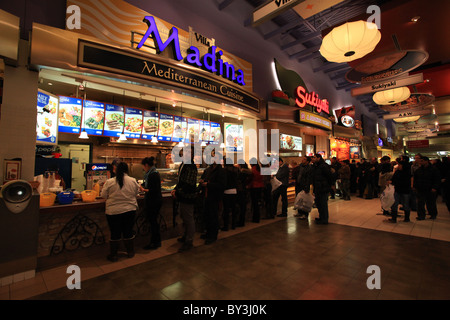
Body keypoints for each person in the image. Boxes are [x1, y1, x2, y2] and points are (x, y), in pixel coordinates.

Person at [101, 162, 140, 262]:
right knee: (128, 231)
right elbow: (136, 193)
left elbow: (103, 195)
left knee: (115, 233)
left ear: (116, 170)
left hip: (113, 212)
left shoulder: (110, 182)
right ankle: (130, 252)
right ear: (127, 170)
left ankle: (113, 255)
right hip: (130, 210)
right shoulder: (132, 181)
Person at [172, 147, 198, 252]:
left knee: (189, 219)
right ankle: (185, 236)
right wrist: (175, 189)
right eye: (185, 151)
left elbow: (189, 183)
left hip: (188, 197)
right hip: (182, 196)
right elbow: (180, 181)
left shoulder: (191, 166)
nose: (186, 153)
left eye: (189, 152)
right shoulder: (183, 164)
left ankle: (189, 241)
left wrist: (177, 191)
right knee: (184, 218)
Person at [200, 150, 226, 244]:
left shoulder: (221, 171)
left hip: (214, 197)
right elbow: (204, 178)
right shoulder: (208, 169)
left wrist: (208, 184)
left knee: (213, 216)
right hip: (206, 195)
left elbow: (222, 185)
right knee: (207, 215)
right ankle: (208, 233)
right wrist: (202, 181)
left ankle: (213, 236)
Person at [141, 156, 162, 250]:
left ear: (146, 165)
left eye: (143, 166)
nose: (143, 168)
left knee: (153, 222)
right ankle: (156, 241)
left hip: (154, 202)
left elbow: (154, 190)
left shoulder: (153, 174)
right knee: (154, 222)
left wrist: (143, 189)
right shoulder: (152, 173)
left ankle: (155, 242)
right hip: (155, 201)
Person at [413, 156, 441, 220]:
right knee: (420, 203)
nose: (420, 162)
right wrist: (415, 186)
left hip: (430, 189)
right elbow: (416, 179)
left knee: (431, 203)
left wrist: (435, 187)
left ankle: (433, 214)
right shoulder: (419, 170)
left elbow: (437, 179)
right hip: (420, 189)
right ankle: (421, 215)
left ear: (426, 161)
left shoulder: (433, 169)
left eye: (422, 161)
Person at [311, 154, 332, 224]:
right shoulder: (315, 166)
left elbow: (329, 176)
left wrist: (329, 186)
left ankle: (325, 219)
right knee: (318, 203)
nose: (313, 159)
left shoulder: (323, 166)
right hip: (317, 188)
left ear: (318, 158)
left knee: (323, 204)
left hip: (323, 188)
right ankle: (321, 217)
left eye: (314, 157)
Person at [222, 158, 239, 231]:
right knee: (233, 208)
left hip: (226, 191)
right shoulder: (236, 170)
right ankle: (233, 225)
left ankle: (226, 226)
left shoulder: (224, 170)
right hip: (234, 190)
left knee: (226, 210)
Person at [236, 162, 252, 227]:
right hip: (246, 190)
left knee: (240, 207)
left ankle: (240, 221)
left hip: (241, 190)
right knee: (243, 207)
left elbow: (238, 181)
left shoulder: (242, 173)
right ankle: (242, 221)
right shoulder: (249, 172)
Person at [248, 158, 264, 223]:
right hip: (260, 186)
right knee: (257, 203)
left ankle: (255, 218)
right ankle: (258, 217)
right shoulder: (259, 169)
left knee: (254, 204)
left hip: (254, 187)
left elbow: (251, 179)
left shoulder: (253, 170)